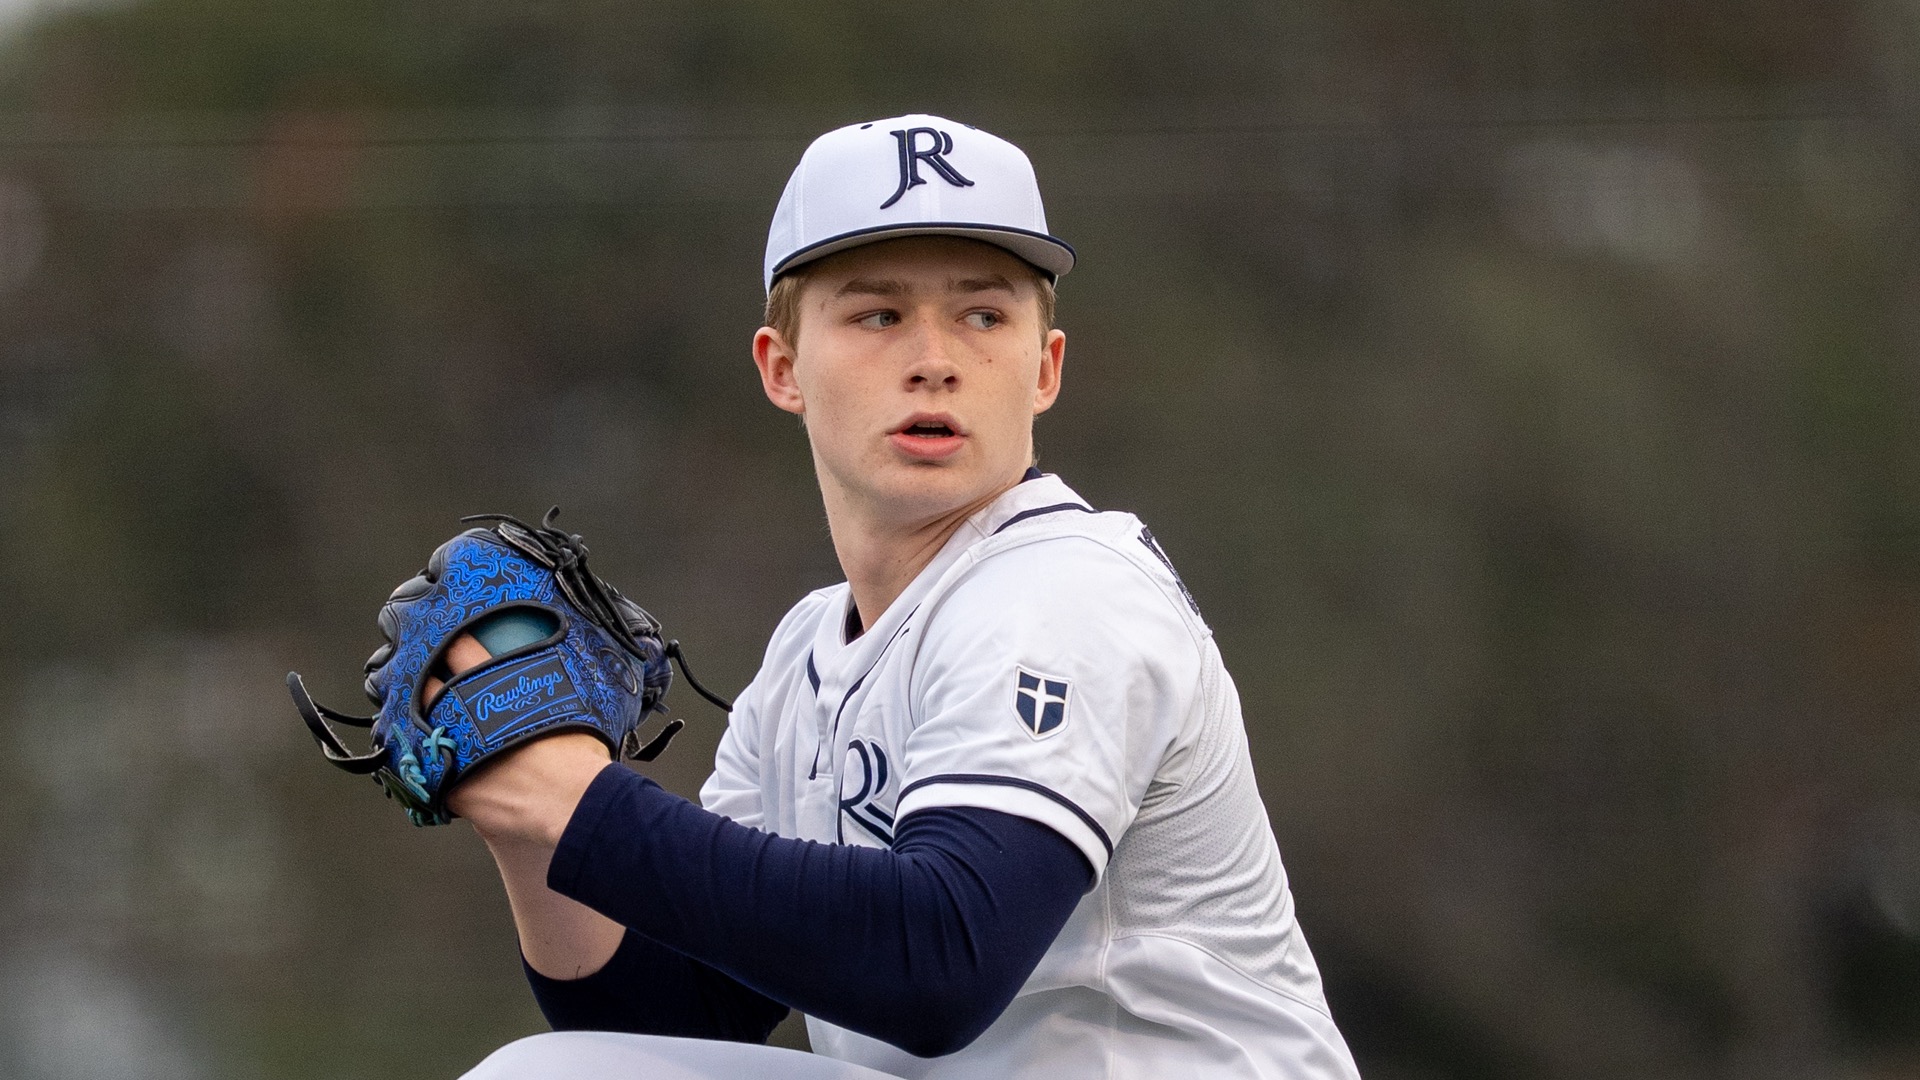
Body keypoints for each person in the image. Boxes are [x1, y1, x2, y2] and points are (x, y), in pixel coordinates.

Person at [449, 114, 1361, 1080]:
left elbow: (941, 960)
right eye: (877, 314)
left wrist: (579, 802)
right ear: (783, 368)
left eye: (984, 315)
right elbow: (674, 1016)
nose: (935, 356)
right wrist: (522, 812)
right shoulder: (809, 648)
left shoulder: (1065, 589)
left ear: (1044, 366)